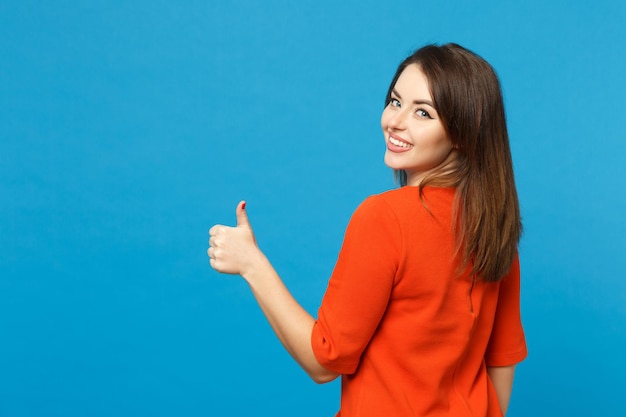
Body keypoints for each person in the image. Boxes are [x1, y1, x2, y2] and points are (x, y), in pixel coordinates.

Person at [207, 43, 527, 417]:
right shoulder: (493, 226)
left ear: (462, 132)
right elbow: (502, 358)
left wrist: (251, 264)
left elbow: (324, 362)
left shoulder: (384, 217)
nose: (395, 120)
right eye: (395, 101)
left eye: (423, 112)